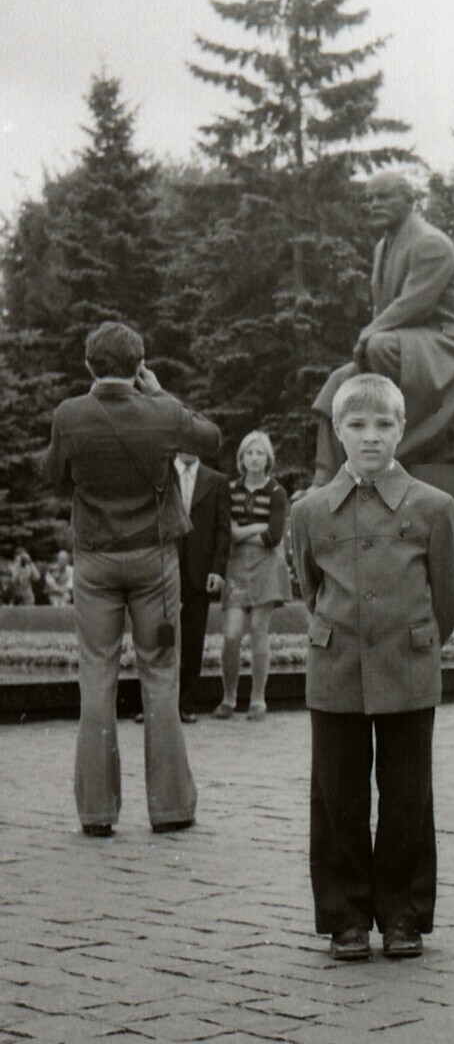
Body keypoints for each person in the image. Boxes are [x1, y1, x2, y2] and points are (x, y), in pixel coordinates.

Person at [291, 373, 454, 963]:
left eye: (383, 425)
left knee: (406, 798)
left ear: (401, 430)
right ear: (338, 431)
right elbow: (310, 590)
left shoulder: (433, 508)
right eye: (357, 426)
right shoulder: (310, 512)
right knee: (337, 797)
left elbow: (448, 598)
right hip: (336, 669)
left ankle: (401, 915)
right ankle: (343, 918)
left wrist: (413, 640)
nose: (371, 437)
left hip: (408, 669)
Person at [43, 320, 219, 837]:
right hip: (155, 565)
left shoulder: (69, 414)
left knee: (96, 678)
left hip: (96, 563)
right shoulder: (161, 411)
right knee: (161, 675)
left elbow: (52, 474)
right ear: (139, 366)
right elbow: (209, 438)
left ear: (88, 364)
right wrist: (161, 392)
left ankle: (96, 812)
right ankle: (170, 808)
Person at [311, 171, 454, 482]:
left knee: (381, 346)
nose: (374, 204)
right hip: (414, 341)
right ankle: (325, 478)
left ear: (410, 200)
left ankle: (410, 442)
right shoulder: (383, 247)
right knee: (342, 379)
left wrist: (367, 335)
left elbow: (413, 305)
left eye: (384, 197)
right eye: (370, 199)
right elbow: (392, 313)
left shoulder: (430, 243)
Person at [214, 431, 291, 722]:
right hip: (236, 567)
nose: (254, 458)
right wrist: (254, 528)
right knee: (231, 634)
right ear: (242, 459)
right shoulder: (230, 489)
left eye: (260, 453)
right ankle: (229, 698)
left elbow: (272, 537)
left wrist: (241, 532)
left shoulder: (276, 492)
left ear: (268, 458)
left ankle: (258, 700)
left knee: (259, 628)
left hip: (267, 566)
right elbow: (226, 533)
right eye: (249, 453)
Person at [173, 449, 231, 722]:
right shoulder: (159, 474)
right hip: (164, 567)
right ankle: (155, 705)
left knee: (194, 638)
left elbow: (223, 528)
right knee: (158, 637)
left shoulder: (216, 481)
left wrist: (217, 570)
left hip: (200, 570)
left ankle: (186, 702)